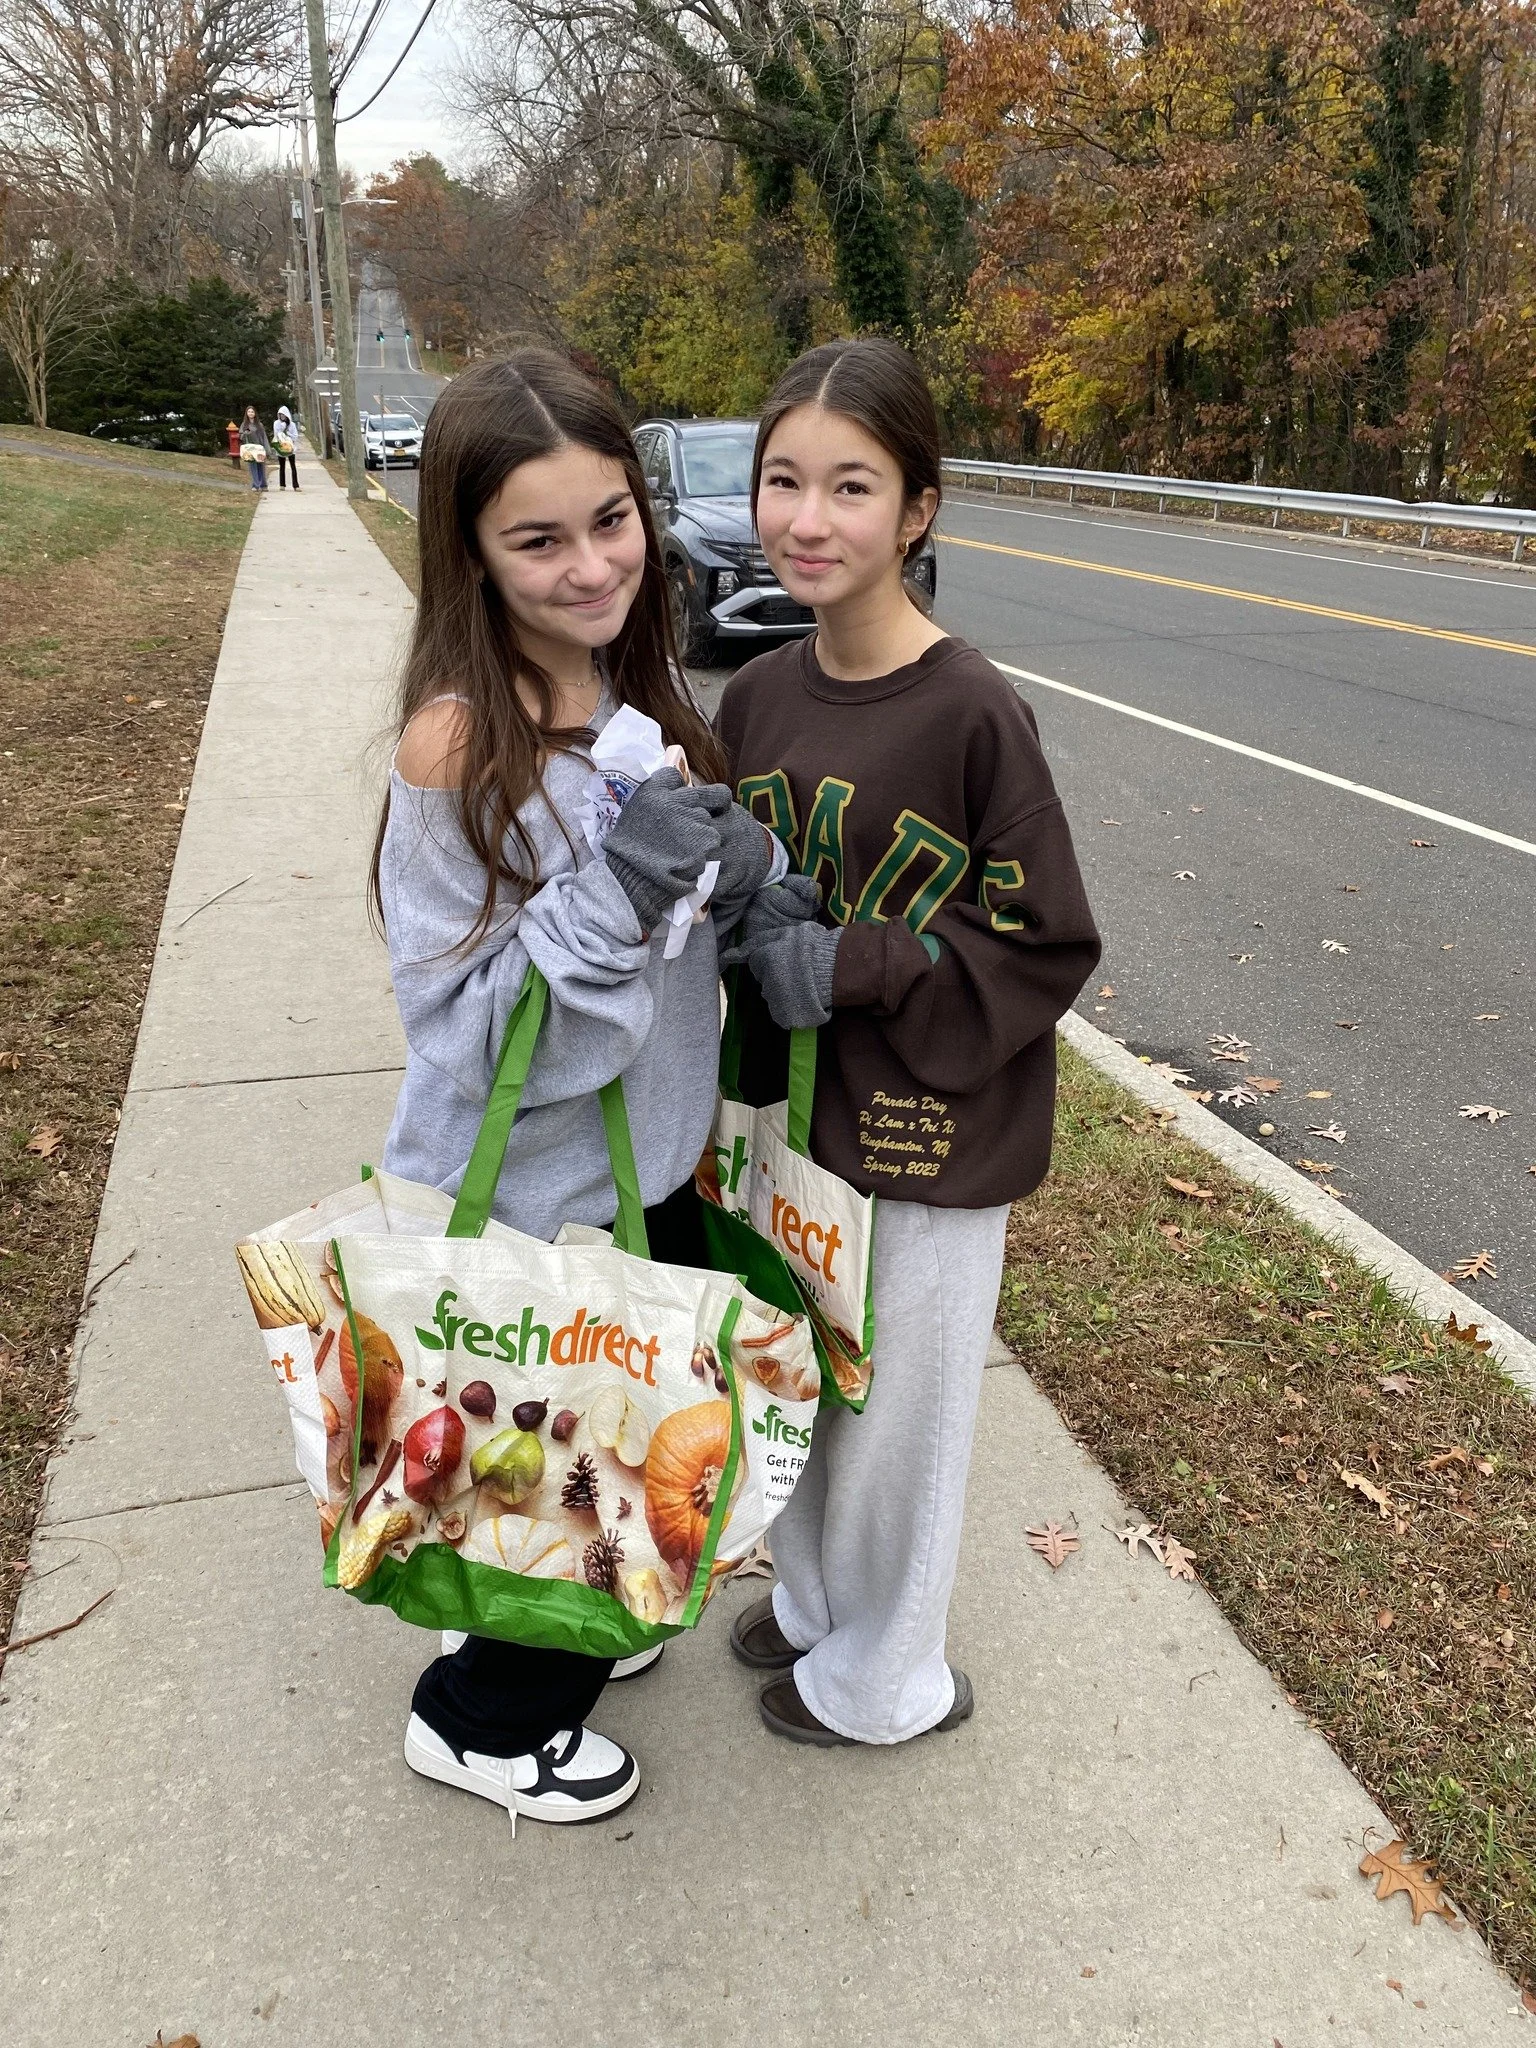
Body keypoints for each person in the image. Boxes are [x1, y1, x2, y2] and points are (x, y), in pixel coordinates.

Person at [371, 351, 776, 1824]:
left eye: (612, 520)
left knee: (571, 1475)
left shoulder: (623, 698)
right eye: (538, 540)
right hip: (543, 1205)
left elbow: (661, 940)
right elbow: (466, 1035)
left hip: (638, 1176)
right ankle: (483, 1720)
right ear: (468, 554)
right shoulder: (459, 747)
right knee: (575, 1486)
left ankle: (539, 1631)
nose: (593, 564)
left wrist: (743, 884)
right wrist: (620, 886)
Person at [717, 337, 1102, 1747]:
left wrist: (860, 960)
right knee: (806, 1388)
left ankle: (888, 1685)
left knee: (903, 1431)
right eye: (782, 482)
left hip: (928, 1144)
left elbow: (1046, 940)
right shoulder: (755, 699)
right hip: (791, 1130)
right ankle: (821, 1613)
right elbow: (729, 891)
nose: (808, 521)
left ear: (921, 511)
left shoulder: (973, 712)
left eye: (853, 488)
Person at [239, 405, 269, 492]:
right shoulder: (244, 425)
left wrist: (266, 449)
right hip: (250, 449)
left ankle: (263, 485)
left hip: (259, 448)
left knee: (261, 466)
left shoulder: (259, 425)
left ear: (255, 413)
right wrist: (245, 433)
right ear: (246, 413)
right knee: (253, 467)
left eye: (252, 412)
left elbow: (264, 437)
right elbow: (240, 436)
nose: (250, 413)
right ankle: (255, 485)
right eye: (249, 412)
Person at [272, 406, 301, 490]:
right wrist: (283, 426)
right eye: (280, 415)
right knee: (282, 466)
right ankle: (282, 484)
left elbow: (295, 436)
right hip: (281, 446)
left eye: (284, 415)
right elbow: (277, 434)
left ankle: (295, 485)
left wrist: (288, 434)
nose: (282, 417)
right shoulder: (277, 423)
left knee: (293, 466)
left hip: (290, 447)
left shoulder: (292, 425)